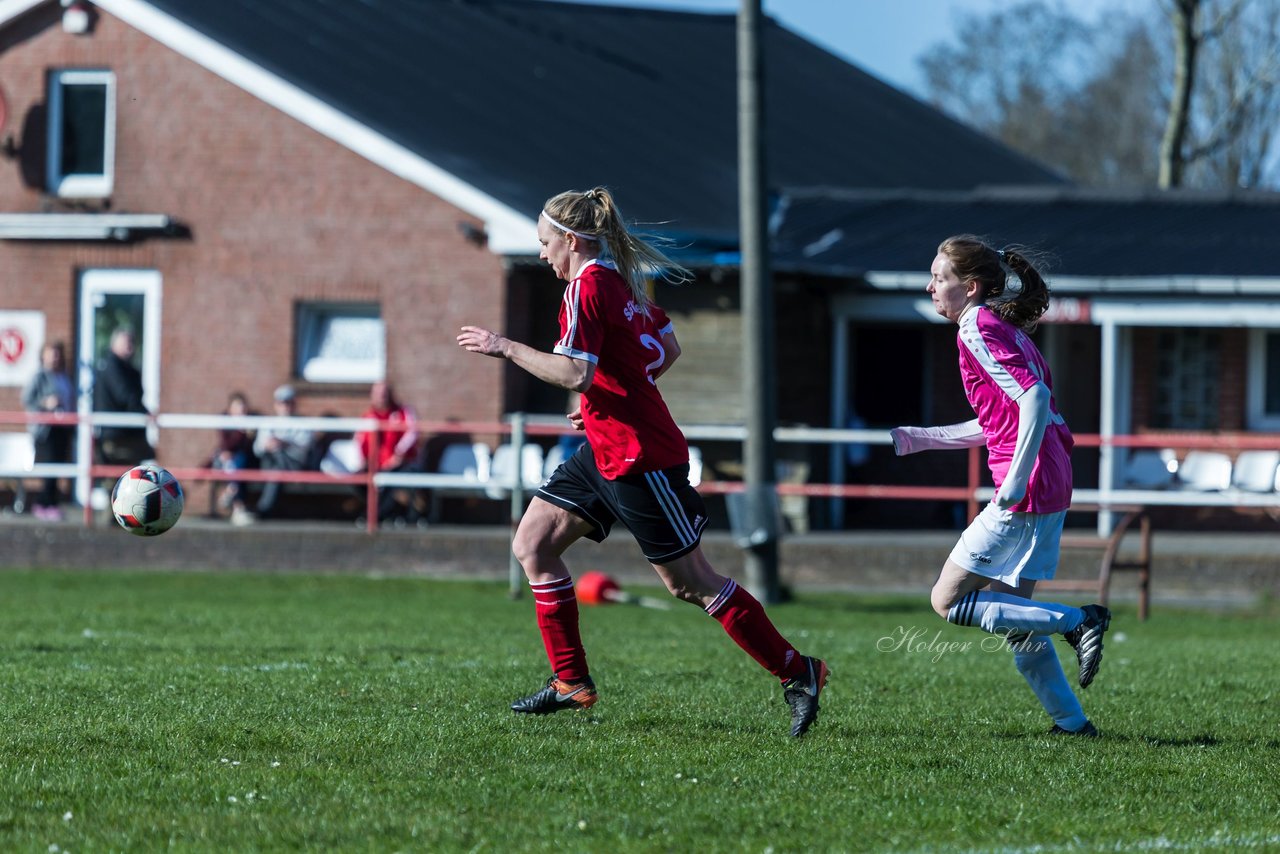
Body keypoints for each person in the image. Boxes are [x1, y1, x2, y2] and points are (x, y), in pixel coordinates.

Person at [457, 187, 828, 737]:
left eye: (544, 243)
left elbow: (574, 374)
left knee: (691, 583)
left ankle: (800, 672)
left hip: (640, 456)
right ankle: (570, 682)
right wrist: (613, 397)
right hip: (604, 449)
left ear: (571, 241)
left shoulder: (587, 287)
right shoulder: (617, 282)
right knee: (532, 545)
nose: (541, 255)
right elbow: (666, 346)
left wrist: (504, 346)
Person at [890, 234, 1110, 737]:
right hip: (1049, 478)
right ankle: (1072, 724)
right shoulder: (1002, 327)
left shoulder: (976, 330)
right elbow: (1006, 416)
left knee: (946, 601)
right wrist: (925, 438)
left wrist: (1011, 482)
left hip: (1027, 486)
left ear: (968, 288)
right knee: (1017, 621)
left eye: (939, 278)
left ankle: (1078, 621)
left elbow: (1032, 400)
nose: (930, 287)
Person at [21, 340, 75, 520]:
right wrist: (46, 403)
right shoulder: (39, 376)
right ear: (43, 355)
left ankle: (53, 503)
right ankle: (43, 504)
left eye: (57, 353)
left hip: (63, 428)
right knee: (48, 466)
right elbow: (27, 399)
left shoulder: (64, 376)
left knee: (58, 466)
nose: (55, 357)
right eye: (51, 353)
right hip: (46, 430)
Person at [353, 381, 419, 523]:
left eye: (384, 393)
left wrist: (399, 454)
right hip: (376, 465)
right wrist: (363, 460)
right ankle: (390, 511)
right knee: (357, 479)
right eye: (377, 393)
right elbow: (359, 440)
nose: (381, 396)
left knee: (391, 479)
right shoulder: (368, 416)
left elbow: (412, 433)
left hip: (401, 463)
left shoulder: (403, 412)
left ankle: (371, 517)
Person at [252, 384, 315, 519]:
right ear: (276, 405)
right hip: (270, 464)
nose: (285, 406)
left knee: (277, 462)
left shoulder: (303, 423)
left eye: (288, 403)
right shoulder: (268, 423)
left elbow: (305, 448)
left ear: (294, 404)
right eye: (281, 403)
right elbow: (257, 449)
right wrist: (268, 446)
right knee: (275, 462)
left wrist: (283, 444)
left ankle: (263, 509)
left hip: (293, 465)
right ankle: (264, 508)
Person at [93, 328, 153, 466]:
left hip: (123, 435)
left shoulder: (124, 368)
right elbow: (125, 396)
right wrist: (143, 412)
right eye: (127, 343)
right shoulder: (113, 367)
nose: (130, 348)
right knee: (122, 477)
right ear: (114, 344)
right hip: (117, 436)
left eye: (132, 343)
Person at [211, 391, 256, 526]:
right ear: (230, 408)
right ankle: (238, 507)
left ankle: (231, 493)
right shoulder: (225, 422)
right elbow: (225, 444)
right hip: (223, 459)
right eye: (237, 407)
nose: (240, 410)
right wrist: (240, 432)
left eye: (242, 407)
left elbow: (247, 448)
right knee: (232, 463)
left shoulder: (250, 423)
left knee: (237, 462)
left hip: (240, 460)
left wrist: (243, 432)